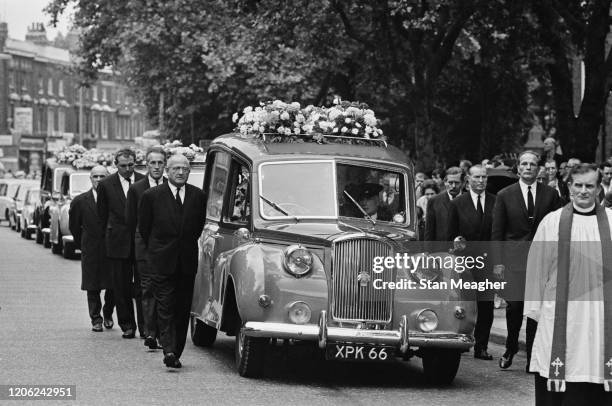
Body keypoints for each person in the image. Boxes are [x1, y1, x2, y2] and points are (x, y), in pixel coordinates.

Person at [524, 164, 612, 405]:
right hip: (561, 315)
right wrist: (538, 312)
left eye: (589, 186)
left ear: (598, 188)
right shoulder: (551, 223)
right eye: (578, 185)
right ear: (569, 186)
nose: (583, 191)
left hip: (602, 315)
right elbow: (536, 270)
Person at [492, 150, 561, 371]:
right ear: (518, 168)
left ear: (538, 168)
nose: (529, 167)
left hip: (542, 261)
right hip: (513, 261)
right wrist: (498, 263)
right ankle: (511, 347)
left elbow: (558, 228)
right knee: (514, 308)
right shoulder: (504, 195)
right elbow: (498, 231)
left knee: (536, 309)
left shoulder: (550, 195)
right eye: (524, 164)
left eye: (533, 164)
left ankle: (533, 354)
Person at [138, 154, 206, 368]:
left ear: (189, 172)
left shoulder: (198, 196)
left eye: (184, 169)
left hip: (186, 261)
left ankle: (177, 350)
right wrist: (157, 251)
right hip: (161, 260)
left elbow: (197, 227)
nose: (180, 172)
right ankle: (168, 349)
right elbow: (145, 227)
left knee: (182, 307)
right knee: (165, 305)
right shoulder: (151, 196)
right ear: (167, 171)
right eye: (175, 168)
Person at [447, 164, 496, 360]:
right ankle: (460, 338)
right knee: (463, 302)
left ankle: (481, 346)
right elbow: (451, 235)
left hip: (487, 261)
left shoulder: (496, 201)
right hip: (464, 261)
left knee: (486, 305)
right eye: (476, 177)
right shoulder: (458, 203)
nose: (481, 181)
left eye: (484, 177)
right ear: (468, 179)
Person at [97, 149, 145, 339]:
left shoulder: (144, 181)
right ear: (115, 165)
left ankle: (145, 327)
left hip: (141, 241)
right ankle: (127, 325)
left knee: (143, 286)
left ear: (136, 163)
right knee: (121, 286)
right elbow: (101, 215)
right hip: (117, 242)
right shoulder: (106, 185)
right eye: (123, 166)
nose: (127, 169)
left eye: (131, 165)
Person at [126, 146, 167, 350]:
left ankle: (162, 332)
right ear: (147, 165)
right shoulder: (136, 189)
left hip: (166, 248)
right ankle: (150, 333)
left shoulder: (171, 185)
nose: (157, 167)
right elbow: (131, 220)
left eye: (160, 163)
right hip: (144, 247)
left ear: (165, 165)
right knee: (147, 289)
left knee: (165, 290)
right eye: (153, 163)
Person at [69, 165, 115, 332]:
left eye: (102, 176)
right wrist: (83, 243)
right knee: (92, 285)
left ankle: (108, 312)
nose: (98, 179)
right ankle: (96, 318)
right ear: (90, 179)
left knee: (114, 286)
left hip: (112, 249)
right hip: (91, 249)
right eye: (95, 176)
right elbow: (74, 226)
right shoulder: (80, 201)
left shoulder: (114, 199)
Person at [425, 166, 464, 241]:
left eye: (456, 183)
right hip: (441, 249)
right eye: (450, 182)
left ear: (462, 183)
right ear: (445, 182)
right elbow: (429, 231)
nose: (453, 186)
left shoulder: (470, 199)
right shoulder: (434, 201)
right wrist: (428, 251)